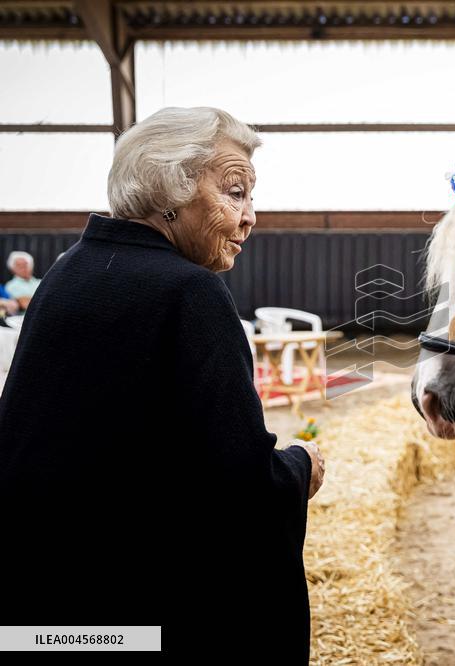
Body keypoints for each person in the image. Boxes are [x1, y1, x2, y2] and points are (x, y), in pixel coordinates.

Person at [0, 107, 325, 663]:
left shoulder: (67, 272)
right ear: (170, 188)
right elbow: (240, 490)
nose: (250, 218)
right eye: (235, 191)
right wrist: (300, 467)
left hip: (44, 615)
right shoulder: (188, 292)